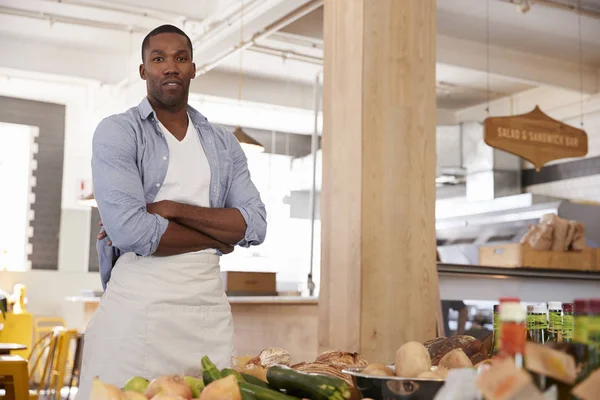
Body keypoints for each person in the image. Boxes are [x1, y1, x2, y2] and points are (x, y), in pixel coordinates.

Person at [76, 24, 266, 398]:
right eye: (158, 58)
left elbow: (255, 225)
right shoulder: (118, 132)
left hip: (207, 309)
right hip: (135, 312)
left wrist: (170, 209)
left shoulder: (224, 144)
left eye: (180, 58)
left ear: (193, 68)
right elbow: (132, 232)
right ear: (143, 70)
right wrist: (220, 240)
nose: (171, 67)